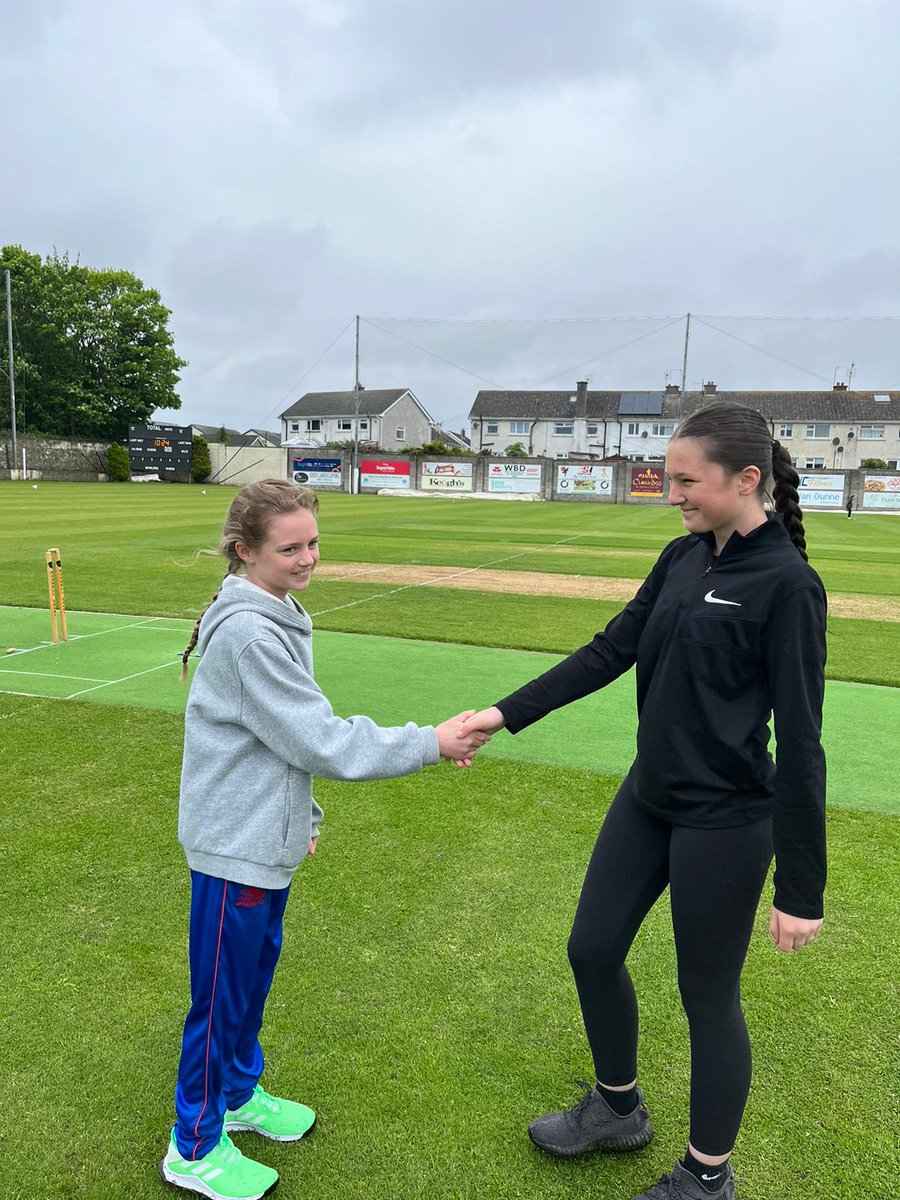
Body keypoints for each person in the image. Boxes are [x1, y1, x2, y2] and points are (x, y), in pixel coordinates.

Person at [459, 404, 826, 1200]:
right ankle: (618, 1108)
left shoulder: (789, 585)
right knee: (591, 950)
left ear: (748, 480)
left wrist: (801, 891)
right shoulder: (681, 558)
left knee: (707, 996)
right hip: (648, 797)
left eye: (688, 481)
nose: (673, 495)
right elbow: (609, 649)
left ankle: (706, 1177)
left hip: (726, 820)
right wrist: (500, 714)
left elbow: (801, 744)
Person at [162, 479, 489, 1200]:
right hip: (233, 844)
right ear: (245, 551)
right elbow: (320, 740)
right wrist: (429, 742)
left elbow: (278, 742)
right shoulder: (250, 631)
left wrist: (298, 820)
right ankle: (193, 1146)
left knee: (248, 986)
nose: (308, 557)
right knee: (219, 1001)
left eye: (313, 542)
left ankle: (240, 1098)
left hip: (262, 838)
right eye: (290, 548)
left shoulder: (276, 608)